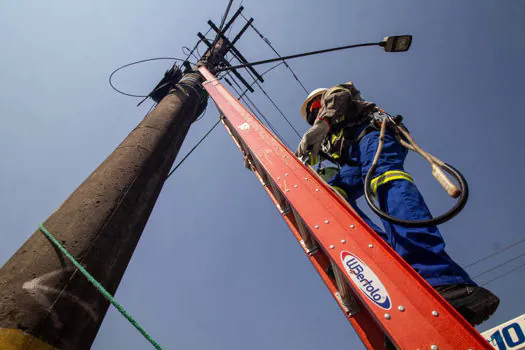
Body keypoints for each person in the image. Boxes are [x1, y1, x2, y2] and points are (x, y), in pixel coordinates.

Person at [296, 82, 499, 326]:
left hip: (373, 135)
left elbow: (338, 96)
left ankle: (441, 277)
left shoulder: (335, 100)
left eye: (315, 107)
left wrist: (321, 125)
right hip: (355, 160)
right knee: (332, 196)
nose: (314, 114)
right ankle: (389, 260)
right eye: (311, 114)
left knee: (384, 179)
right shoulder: (330, 139)